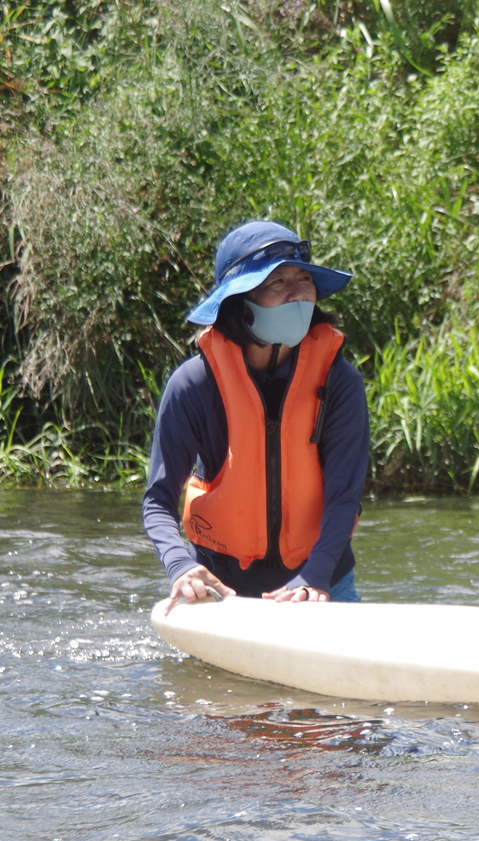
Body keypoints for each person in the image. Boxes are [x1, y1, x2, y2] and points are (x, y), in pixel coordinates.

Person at [142, 221, 369, 613]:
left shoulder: (341, 381)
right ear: (239, 301)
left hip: (321, 581)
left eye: (304, 279)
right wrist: (181, 567)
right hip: (221, 588)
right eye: (277, 282)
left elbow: (344, 499)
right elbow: (157, 501)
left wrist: (315, 577)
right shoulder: (194, 384)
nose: (297, 293)